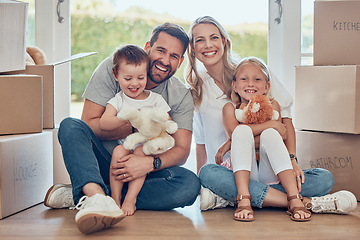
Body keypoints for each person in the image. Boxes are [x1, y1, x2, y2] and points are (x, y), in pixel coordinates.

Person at [185, 16, 357, 216]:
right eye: (200, 40)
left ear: (224, 41)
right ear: (193, 47)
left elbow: (285, 121)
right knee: (207, 174)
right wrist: (203, 184)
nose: (208, 45)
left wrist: (292, 160)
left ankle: (230, 198)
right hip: (230, 173)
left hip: (271, 167)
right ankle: (304, 202)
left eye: (214, 37)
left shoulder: (253, 71)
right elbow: (201, 143)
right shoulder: (196, 91)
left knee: (323, 178)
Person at [44, 23, 200, 234]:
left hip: (143, 171)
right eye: (161, 50)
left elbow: (181, 151)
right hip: (103, 161)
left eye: (174, 56)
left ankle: (90, 194)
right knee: (70, 126)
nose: (165, 60)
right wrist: (132, 128)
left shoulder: (180, 95)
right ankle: (95, 193)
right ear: (148, 47)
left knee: (189, 185)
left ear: (180, 62)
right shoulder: (117, 67)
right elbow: (88, 124)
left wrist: (147, 163)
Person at [222, 57, 311, 221]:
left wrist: (231, 143)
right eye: (244, 79)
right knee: (210, 173)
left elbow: (280, 134)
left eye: (257, 79)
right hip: (246, 174)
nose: (250, 84)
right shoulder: (230, 108)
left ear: (266, 86)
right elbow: (235, 133)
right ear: (234, 85)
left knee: (323, 178)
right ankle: (244, 196)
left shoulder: (273, 106)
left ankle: (293, 197)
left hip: (271, 172)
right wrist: (270, 124)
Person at [99, 45, 173, 216]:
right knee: (118, 150)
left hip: (148, 147)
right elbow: (103, 123)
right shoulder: (118, 100)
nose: (134, 83)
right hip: (128, 145)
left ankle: (130, 198)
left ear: (146, 74)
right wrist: (125, 117)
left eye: (140, 77)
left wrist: (158, 120)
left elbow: (168, 123)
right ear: (115, 75)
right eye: (128, 78)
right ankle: (115, 198)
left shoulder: (156, 99)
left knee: (141, 151)